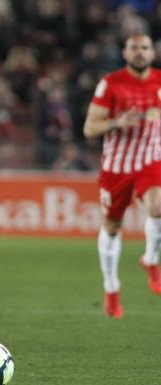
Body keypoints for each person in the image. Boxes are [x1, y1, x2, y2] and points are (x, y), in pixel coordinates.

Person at [83, 33, 161, 319]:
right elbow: (89, 129)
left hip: (151, 160)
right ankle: (112, 287)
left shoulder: (159, 81)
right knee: (112, 227)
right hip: (117, 166)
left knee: (157, 207)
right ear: (125, 54)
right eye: (134, 48)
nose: (139, 52)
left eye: (144, 48)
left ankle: (151, 260)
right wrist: (117, 121)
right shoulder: (111, 84)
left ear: (152, 53)